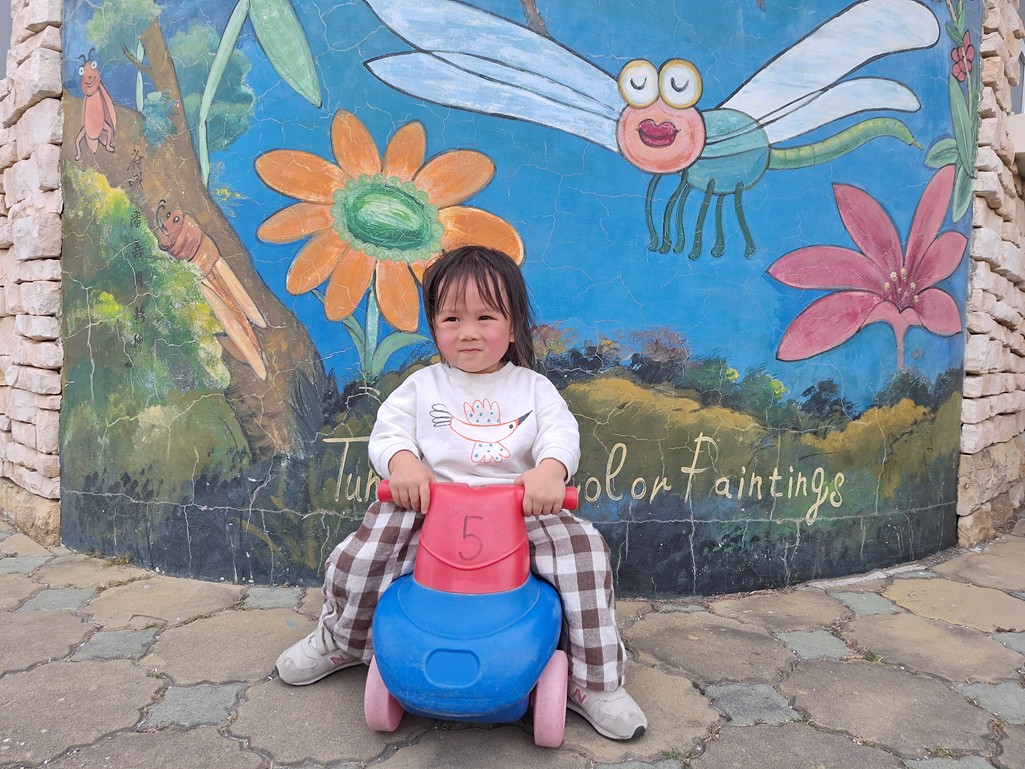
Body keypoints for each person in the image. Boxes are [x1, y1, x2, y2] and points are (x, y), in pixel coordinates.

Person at [275, 245, 647, 741]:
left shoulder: (533, 388)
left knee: (586, 554)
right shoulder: (422, 386)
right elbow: (389, 432)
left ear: (513, 327)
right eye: (452, 318)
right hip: (430, 506)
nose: (468, 331)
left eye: (485, 317)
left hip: (518, 508)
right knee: (358, 557)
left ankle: (594, 681)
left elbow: (560, 433)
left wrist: (550, 471)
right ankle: (342, 637)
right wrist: (404, 464)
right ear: (435, 327)